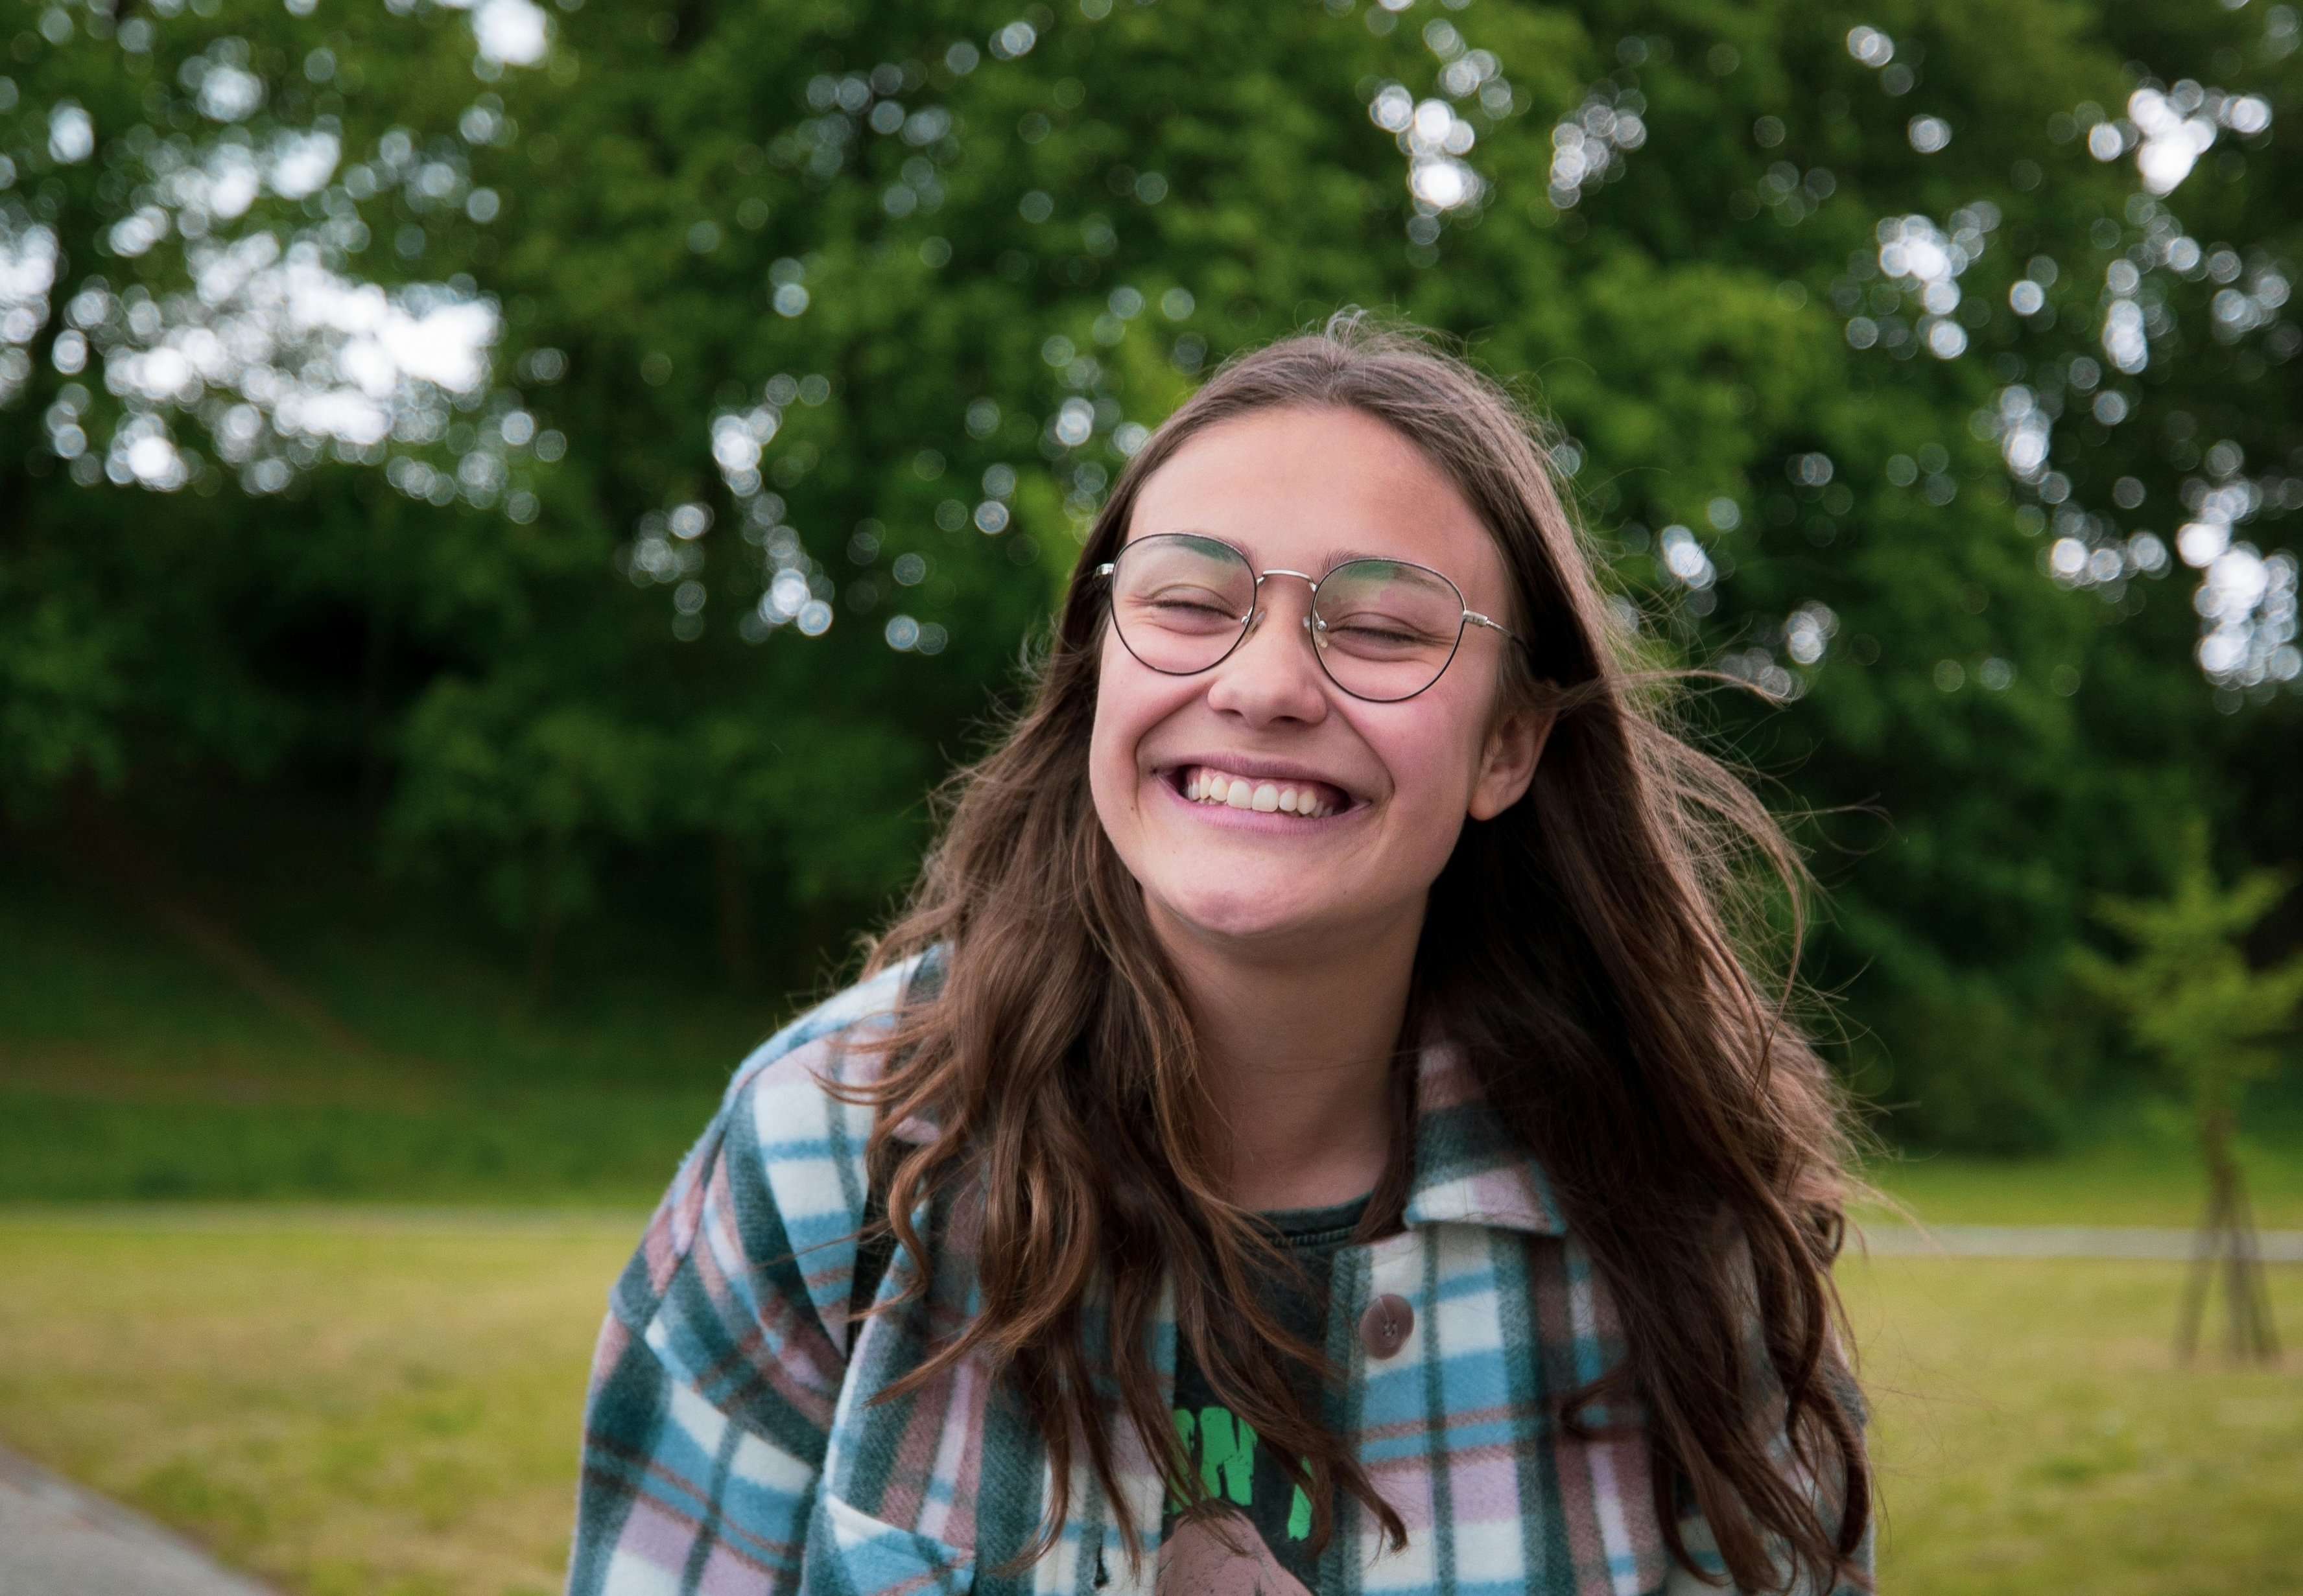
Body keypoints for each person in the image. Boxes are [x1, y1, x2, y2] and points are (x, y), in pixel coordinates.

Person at [565, 320, 1872, 1596]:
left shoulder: (1679, 1227)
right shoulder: (823, 1160)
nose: (1265, 685)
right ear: (1097, 673)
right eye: (1189, 600)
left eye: (1381, 629)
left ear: (1507, 748)